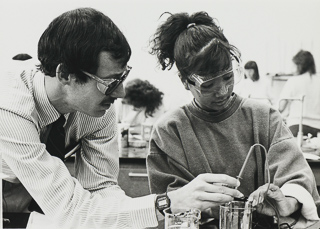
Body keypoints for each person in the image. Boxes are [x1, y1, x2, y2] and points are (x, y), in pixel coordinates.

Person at [0, 8, 228, 229]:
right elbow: (71, 210)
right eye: (110, 83)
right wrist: (167, 203)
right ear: (65, 74)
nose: (120, 93)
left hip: (36, 205)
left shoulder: (98, 108)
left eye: (122, 78)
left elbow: (101, 190)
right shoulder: (10, 105)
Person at [147, 11, 320, 228]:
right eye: (207, 85)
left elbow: (297, 176)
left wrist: (286, 201)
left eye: (228, 77)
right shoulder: (170, 131)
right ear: (185, 81)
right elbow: (170, 205)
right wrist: (208, 206)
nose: (222, 91)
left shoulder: (264, 118)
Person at [279, 50, 320, 137]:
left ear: (300, 65)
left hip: (297, 126)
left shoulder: (293, 81)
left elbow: (280, 107)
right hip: (318, 128)